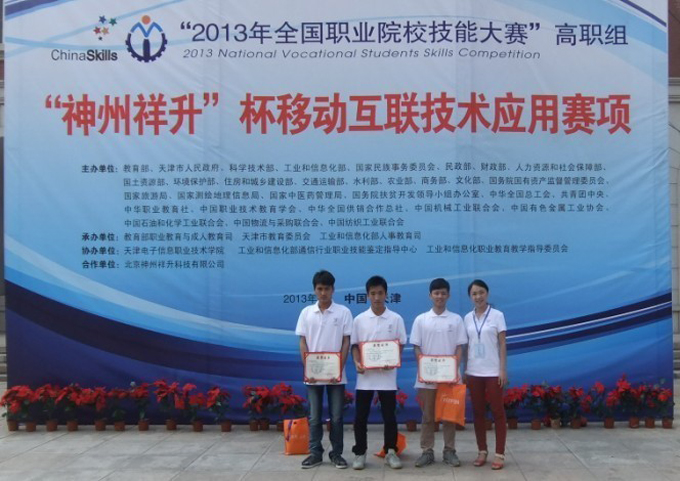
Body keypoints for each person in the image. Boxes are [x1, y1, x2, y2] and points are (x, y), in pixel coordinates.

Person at [295, 270, 353, 469]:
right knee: (314, 417)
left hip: (336, 375)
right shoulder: (306, 313)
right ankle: (315, 453)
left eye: (327, 289)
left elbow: (346, 342)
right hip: (313, 375)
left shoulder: (343, 312)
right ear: (314, 290)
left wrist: (339, 368)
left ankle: (336, 454)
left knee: (336, 417)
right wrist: (308, 368)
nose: (323, 293)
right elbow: (302, 342)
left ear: (333, 290)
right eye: (319, 289)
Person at [350, 275, 407, 470]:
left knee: (389, 417)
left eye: (380, 293)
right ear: (367, 295)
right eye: (373, 293)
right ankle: (360, 453)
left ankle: (391, 451)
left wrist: (393, 360)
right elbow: (355, 345)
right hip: (365, 378)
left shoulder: (395, 319)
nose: (376, 297)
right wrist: (357, 362)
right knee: (360, 417)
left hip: (387, 378)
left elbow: (400, 344)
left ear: (386, 294)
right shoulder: (359, 320)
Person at [410, 278, 467, 468]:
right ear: (430, 295)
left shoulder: (456, 319)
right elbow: (416, 347)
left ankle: (449, 451)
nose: (440, 296)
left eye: (443, 293)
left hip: (450, 378)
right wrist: (424, 368)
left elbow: (459, 347)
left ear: (448, 295)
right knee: (427, 417)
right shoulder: (421, 319)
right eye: (436, 293)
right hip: (427, 378)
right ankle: (427, 451)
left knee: (449, 416)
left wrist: (453, 371)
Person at [463, 279, 508, 470]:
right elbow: (466, 346)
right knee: (478, 412)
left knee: (498, 412)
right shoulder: (467, 318)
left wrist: (502, 370)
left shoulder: (497, 315)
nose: (478, 296)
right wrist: (464, 369)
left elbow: (503, 344)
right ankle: (482, 450)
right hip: (474, 371)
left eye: (481, 292)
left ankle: (499, 453)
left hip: (493, 372)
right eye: (474, 294)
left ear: (487, 294)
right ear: (470, 297)